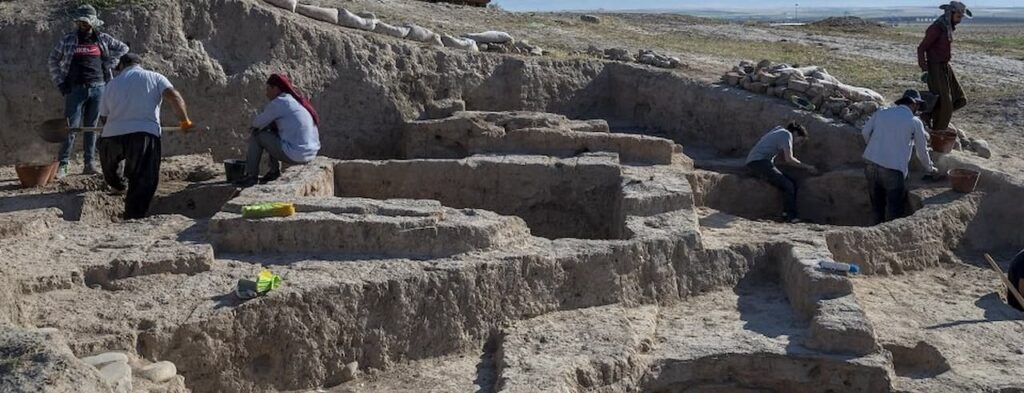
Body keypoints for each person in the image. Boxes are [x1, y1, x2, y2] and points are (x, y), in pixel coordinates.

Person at [98, 54, 193, 220]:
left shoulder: (111, 84)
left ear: (121, 66)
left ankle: (118, 185)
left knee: (111, 171)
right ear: (139, 64)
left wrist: (117, 125)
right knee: (143, 179)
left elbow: (104, 117)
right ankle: (133, 217)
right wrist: (184, 121)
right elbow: (174, 96)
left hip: (110, 135)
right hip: (144, 134)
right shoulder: (155, 77)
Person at [47, 4, 130, 178]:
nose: (81, 25)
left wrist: (111, 63)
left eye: (85, 22)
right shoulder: (68, 39)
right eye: (79, 22)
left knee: (91, 128)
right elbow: (53, 59)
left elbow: (124, 48)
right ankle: (63, 164)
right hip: (75, 89)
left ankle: (89, 164)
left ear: (92, 23)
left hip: (99, 88)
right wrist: (60, 82)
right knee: (71, 127)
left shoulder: (103, 39)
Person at [861, 90, 938, 224]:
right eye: (918, 106)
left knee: (877, 206)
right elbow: (921, 151)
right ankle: (887, 240)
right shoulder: (914, 122)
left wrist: (875, 148)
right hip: (893, 169)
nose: (918, 110)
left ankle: (873, 233)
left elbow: (865, 132)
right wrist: (930, 169)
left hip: (870, 163)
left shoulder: (882, 112)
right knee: (894, 210)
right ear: (914, 104)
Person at [239, 73, 321, 187]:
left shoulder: (280, 102)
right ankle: (273, 172)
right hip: (310, 152)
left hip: (296, 154)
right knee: (273, 131)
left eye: (268, 89)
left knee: (257, 136)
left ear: (276, 88)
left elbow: (256, 123)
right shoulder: (295, 101)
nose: (266, 93)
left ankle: (251, 176)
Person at [745, 121, 817, 223]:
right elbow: (789, 159)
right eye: (800, 141)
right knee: (788, 184)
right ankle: (791, 217)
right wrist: (808, 167)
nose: (798, 144)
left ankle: (786, 213)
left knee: (792, 182)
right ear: (796, 133)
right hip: (758, 163)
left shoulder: (779, 130)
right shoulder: (786, 134)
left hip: (759, 162)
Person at [918, 1, 971, 132]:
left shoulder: (947, 27)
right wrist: (925, 69)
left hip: (945, 66)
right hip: (935, 67)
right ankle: (937, 133)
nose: (960, 20)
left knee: (960, 99)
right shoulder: (936, 28)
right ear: (950, 13)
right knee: (946, 105)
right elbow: (921, 48)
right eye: (958, 17)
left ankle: (929, 115)